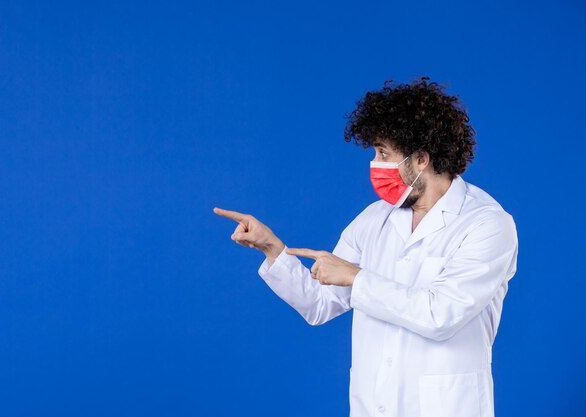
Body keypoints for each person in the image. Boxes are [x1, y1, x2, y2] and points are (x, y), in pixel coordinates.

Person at [213, 76, 518, 417]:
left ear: (421, 158)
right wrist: (272, 248)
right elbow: (319, 304)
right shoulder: (375, 218)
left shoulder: (486, 224)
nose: (375, 163)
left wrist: (357, 278)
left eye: (384, 153)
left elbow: (439, 315)